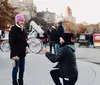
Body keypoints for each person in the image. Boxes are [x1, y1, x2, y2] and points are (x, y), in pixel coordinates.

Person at [9, 14, 29, 85]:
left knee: (22, 69)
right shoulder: (13, 30)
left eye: (23, 21)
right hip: (16, 54)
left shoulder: (23, 29)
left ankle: (21, 82)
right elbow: (12, 44)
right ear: (17, 21)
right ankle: (14, 82)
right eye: (21, 21)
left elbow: (24, 41)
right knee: (15, 69)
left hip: (22, 53)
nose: (22, 22)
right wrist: (14, 55)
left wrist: (26, 46)